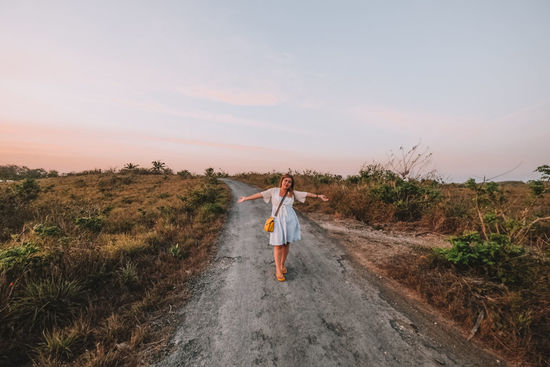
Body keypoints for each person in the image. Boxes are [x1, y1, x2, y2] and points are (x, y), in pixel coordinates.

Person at [237, 174, 329, 282]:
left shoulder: (292, 193)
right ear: (282, 181)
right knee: (278, 244)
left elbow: (306, 194)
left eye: (289, 182)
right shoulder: (274, 191)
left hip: (290, 221)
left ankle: (282, 265)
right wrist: (246, 198)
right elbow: (260, 194)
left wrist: (318, 196)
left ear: (291, 184)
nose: (287, 183)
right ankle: (278, 269)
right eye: (285, 181)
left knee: (286, 244)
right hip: (277, 220)